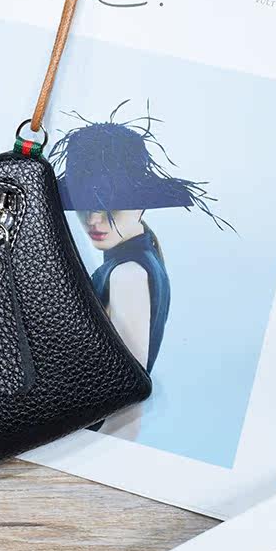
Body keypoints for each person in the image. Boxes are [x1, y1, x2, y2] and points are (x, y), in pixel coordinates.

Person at [49, 102, 231, 438]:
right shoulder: (139, 261)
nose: (94, 220)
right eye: (85, 205)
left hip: (91, 444)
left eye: (110, 206)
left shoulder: (127, 275)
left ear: (141, 204)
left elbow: (128, 405)